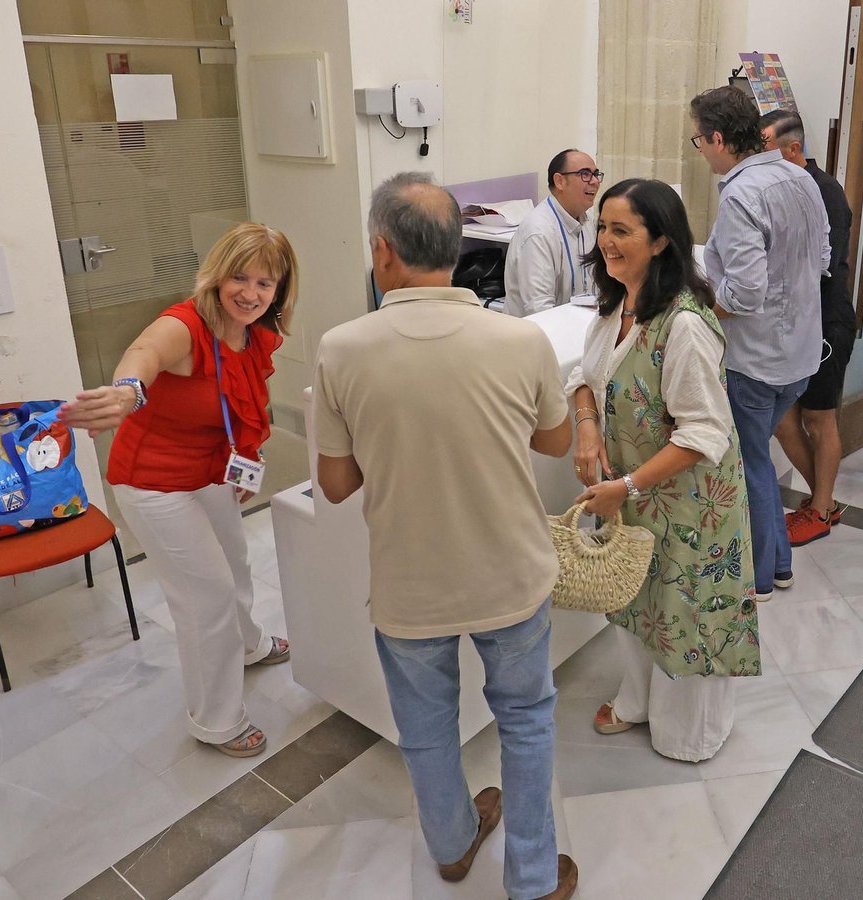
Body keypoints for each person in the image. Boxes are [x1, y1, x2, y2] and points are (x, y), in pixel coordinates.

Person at [313, 172, 578, 900]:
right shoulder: (518, 340)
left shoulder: (342, 348)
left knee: (426, 728)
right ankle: (530, 875)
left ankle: (454, 844)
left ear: (382, 251)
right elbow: (556, 443)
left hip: (408, 583)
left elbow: (335, 485)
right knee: (526, 720)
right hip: (511, 573)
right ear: (458, 252)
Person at [58, 223, 298, 758]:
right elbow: (144, 353)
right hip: (153, 483)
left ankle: (250, 646)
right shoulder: (186, 324)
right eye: (239, 277)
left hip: (210, 469)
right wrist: (126, 393)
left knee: (235, 563)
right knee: (205, 595)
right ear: (216, 275)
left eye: (266, 283)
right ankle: (216, 720)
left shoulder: (254, 330)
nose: (250, 293)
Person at [567, 178, 760, 761]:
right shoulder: (615, 308)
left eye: (621, 230)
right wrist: (586, 425)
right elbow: (585, 376)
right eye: (602, 227)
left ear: (661, 242)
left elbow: (706, 432)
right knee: (637, 599)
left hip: (690, 501)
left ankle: (690, 733)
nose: (606, 240)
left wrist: (624, 485)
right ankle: (637, 697)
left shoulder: (685, 325)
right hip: (637, 495)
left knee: (688, 611)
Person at [691, 86, 829, 600]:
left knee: (749, 464)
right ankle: (781, 564)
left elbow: (745, 292)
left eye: (699, 139)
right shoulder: (800, 175)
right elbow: (822, 256)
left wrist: (698, 306)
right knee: (759, 458)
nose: (700, 149)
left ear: (719, 138)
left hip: (757, 357)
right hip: (799, 352)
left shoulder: (742, 192)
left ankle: (761, 575)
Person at [760, 110, 855, 546]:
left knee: (819, 418)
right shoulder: (783, 186)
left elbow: (821, 265)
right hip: (793, 321)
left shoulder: (823, 191)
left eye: (765, 147)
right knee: (782, 418)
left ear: (793, 148)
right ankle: (824, 498)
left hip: (825, 321)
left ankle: (820, 506)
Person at [504, 148, 601, 317]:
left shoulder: (588, 220)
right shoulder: (538, 232)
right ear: (560, 181)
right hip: (537, 335)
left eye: (596, 174)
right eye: (585, 174)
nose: (594, 181)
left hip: (578, 325)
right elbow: (540, 309)